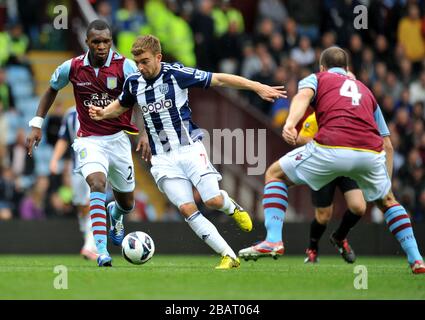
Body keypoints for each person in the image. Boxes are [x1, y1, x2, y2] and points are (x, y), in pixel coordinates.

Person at [88, 34, 286, 269]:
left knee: (211, 200)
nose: (140, 67)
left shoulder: (176, 74)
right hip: (161, 159)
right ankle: (228, 256)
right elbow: (121, 105)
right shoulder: (133, 82)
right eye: (137, 62)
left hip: (190, 149)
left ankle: (230, 206)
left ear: (158, 57)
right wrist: (103, 113)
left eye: (145, 61)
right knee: (186, 207)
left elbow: (219, 80)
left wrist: (257, 86)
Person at [241, 46, 425, 274]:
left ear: (322, 67)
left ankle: (273, 240)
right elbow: (387, 144)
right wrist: (384, 185)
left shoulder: (317, 78)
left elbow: (302, 97)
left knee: (274, 174)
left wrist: (290, 123)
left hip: (332, 147)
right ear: (347, 69)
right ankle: (416, 258)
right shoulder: (366, 91)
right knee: (388, 201)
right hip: (369, 152)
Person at [26, 20, 151, 267]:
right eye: (97, 42)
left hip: (118, 140)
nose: (102, 46)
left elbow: (140, 98)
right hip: (88, 140)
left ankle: (116, 215)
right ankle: (101, 250)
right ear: (87, 43)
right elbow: (51, 89)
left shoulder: (124, 66)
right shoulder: (72, 67)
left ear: (111, 41)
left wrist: (144, 133)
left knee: (127, 203)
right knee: (96, 183)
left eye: (106, 41)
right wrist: (37, 123)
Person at [49, 106, 97, 261]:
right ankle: (89, 240)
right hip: (77, 169)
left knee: (93, 201)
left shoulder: (101, 107)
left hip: (97, 165)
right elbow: (63, 139)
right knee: (81, 206)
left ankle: (90, 245)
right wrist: (55, 159)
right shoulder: (70, 114)